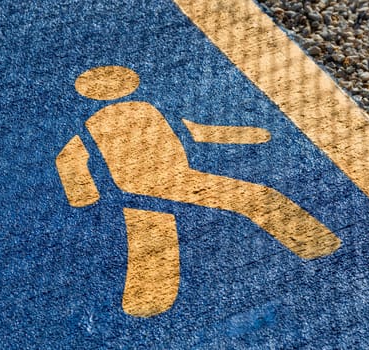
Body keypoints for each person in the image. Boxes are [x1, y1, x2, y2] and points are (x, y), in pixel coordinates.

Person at [56, 66, 341, 317]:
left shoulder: (136, 111)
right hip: (165, 179)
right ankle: (315, 243)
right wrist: (82, 193)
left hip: (142, 185)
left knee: (151, 237)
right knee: (254, 197)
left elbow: (192, 131)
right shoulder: (110, 120)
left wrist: (83, 194)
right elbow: (70, 157)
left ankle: (145, 302)